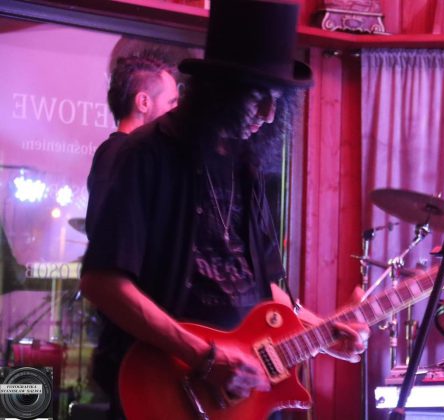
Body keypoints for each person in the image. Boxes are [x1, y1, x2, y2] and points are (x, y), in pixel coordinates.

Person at [79, 1, 368, 418]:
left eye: (277, 102)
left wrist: (323, 331)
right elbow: (102, 282)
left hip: (235, 400)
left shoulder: (245, 169)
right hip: (163, 389)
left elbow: (265, 289)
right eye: (256, 98)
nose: (268, 116)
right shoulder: (143, 155)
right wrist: (203, 357)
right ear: (217, 89)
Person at [86, 51, 179, 235]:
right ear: (143, 102)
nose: (177, 110)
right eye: (171, 102)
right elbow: (104, 230)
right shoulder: (118, 153)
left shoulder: (134, 154)